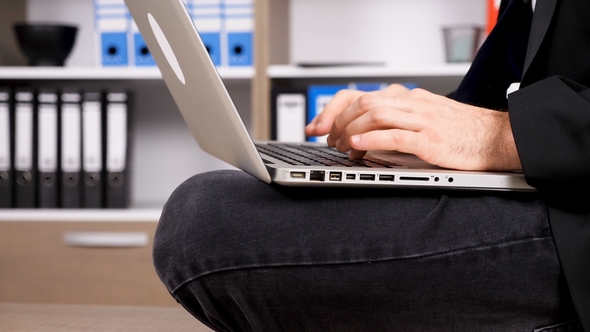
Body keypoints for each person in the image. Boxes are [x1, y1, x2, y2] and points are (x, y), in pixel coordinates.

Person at [153, 0, 589, 330]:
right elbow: (499, 88)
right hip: (545, 180)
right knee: (217, 209)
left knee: (205, 219)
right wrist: (406, 122)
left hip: (573, 222)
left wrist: (497, 136)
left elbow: (497, 126)